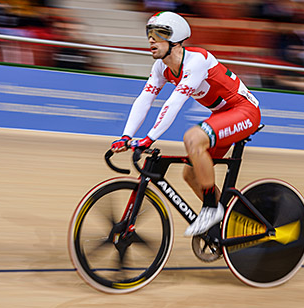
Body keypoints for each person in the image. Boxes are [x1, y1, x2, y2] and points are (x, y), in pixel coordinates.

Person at [110, 11, 261, 237]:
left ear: (176, 38)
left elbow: (174, 103)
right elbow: (145, 99)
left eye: (158, 33)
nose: (151, 39)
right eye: (149, 33)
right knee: (190, 174)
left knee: (192, 138)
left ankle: (211, 208)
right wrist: (125, 136)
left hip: (244, 112)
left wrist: (149, 138)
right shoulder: (161, 67)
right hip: (222, 116)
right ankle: (230, 223)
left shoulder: (196, 60)